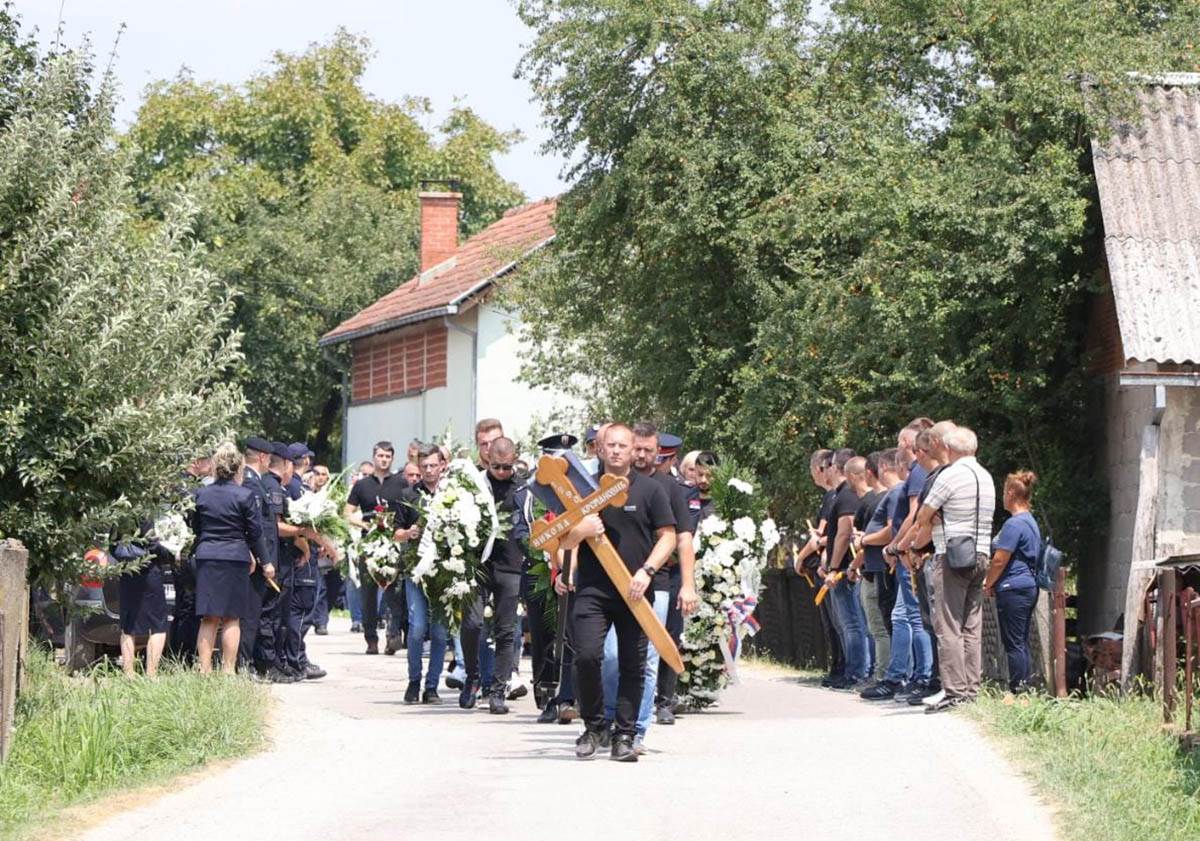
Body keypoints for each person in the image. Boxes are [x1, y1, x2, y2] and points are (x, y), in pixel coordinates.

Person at [560, 424, 676, 762]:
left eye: (623, 446)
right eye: (610, 445)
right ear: (598, 448)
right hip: (593, 590)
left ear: (632, 450)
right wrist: (579, 531)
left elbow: (668, 536)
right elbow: (562, 540)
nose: (616, 451)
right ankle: (594, 726)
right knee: (587, 656)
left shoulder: (651, 490)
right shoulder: (583, 488)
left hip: (636, 591)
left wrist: (648, 570)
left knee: (632, 663)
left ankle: (625, 735)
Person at [600, 423, 696, 752]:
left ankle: (637, 728)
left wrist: (689, 585)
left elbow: (682, 537)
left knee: (647, 659)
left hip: (658, 585)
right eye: (635, 448)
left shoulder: (669, 488)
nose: (641, 455)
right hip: (611, 585)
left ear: (659, 452)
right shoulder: (606, 483)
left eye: (647, 450)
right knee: (611, 656)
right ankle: (612, 716)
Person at [911, 426, 995, 713]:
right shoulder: (986, 477)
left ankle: (954, 690)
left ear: (952, 449)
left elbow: (924, 514)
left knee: (947, 624)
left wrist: (934, 519)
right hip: (981, 552)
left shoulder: (951, 474)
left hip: (952, 554)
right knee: (972, 625)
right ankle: (972, 688)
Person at [460, 437, 529, 713]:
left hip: (511, 565)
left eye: (506, 466)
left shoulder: (523, 486)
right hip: (479, 564)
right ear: (486, 459)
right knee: (472, 624)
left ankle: (498, 690)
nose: (501, 472)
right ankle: (473, 677)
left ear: (515, 460)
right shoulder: (474, 485)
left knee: (505, 630)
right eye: (496, 466)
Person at [191, 442, 264, 675]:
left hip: (207, 555)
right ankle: (228, 670)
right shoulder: (245, 495)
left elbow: (195, 527)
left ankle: (203, 669)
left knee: (208, 617)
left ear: (215, 466)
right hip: (235, 557)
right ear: (238, 468)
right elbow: (255, 532)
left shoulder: (201, 494)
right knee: (232, 617)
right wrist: (266, 560)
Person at [344, 441, 409, 654]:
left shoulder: (400, 483)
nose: (384, 460)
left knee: (394, 592)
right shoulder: (362, 485)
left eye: (387, 456)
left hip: (393, 543)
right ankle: (371, 638)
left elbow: (409, 509)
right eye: (380, 456)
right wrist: (364, 523)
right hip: (369, 544)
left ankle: (393, 634)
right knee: (369, 594)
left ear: (392, 459)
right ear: (374, 457)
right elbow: (347, 512)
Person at [984, 471, 1042, 694]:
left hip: (1013, 587)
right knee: (1020, 641)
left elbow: (999, 559)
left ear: (1011, 493)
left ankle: (1018, 690)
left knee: (1013, 643)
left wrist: (988, 583)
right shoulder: (1030, 521)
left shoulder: (1014, 524)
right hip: (1026, 586)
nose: (1002, 497)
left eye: (1003, 492)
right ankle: (1024, 688)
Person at [400, 444, 449, 704]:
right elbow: (395, 532)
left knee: (440, 632)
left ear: (442, 465)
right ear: (418, 468)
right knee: (418, 627)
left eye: (433, 465)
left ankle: (432, 686)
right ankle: (414, 680)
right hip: (415, 570)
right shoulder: (408, 495)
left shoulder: (451, 495)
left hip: (443, 572)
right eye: (424, 466)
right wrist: (408, 533)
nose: (429, 471)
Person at [822, 450, 870, 688]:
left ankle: (856, 671)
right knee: (847, 623)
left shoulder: (846, 497)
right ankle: (855, 669)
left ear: (836, 467)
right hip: (842, 566)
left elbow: (844, 533)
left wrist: (833, 566)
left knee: (851, 622)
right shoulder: (840, 496)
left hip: (844, 568)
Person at [114, 531, 173, 677]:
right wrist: (168, 555)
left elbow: (112, 542)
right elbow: (153, 545)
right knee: (158, 625)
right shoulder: (148, 515)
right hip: (149, 570)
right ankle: (151, 674)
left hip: (127, 571)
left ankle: (128, 673)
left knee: (128, 625)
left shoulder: (121, 512)